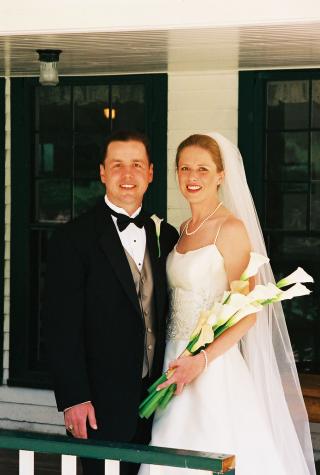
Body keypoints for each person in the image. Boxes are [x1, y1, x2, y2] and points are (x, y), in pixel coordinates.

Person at [139, 133, 316, 475]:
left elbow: (248, 312)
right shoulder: (184, 230)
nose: (192, 177)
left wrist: (201, 360)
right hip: (174, 360)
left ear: (221, 176)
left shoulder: (230, 229)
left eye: (203, 169)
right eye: (185, 168)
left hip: (212, 368)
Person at [44, 130, 179, 475]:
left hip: (157, 404)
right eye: (117, 165)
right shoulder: (73, 238)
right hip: (98, 405)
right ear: (103, 173)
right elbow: (61, 328)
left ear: (150, 173)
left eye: (136, 164)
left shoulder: (166, 234)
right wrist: (74, 398)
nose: (127, 174)